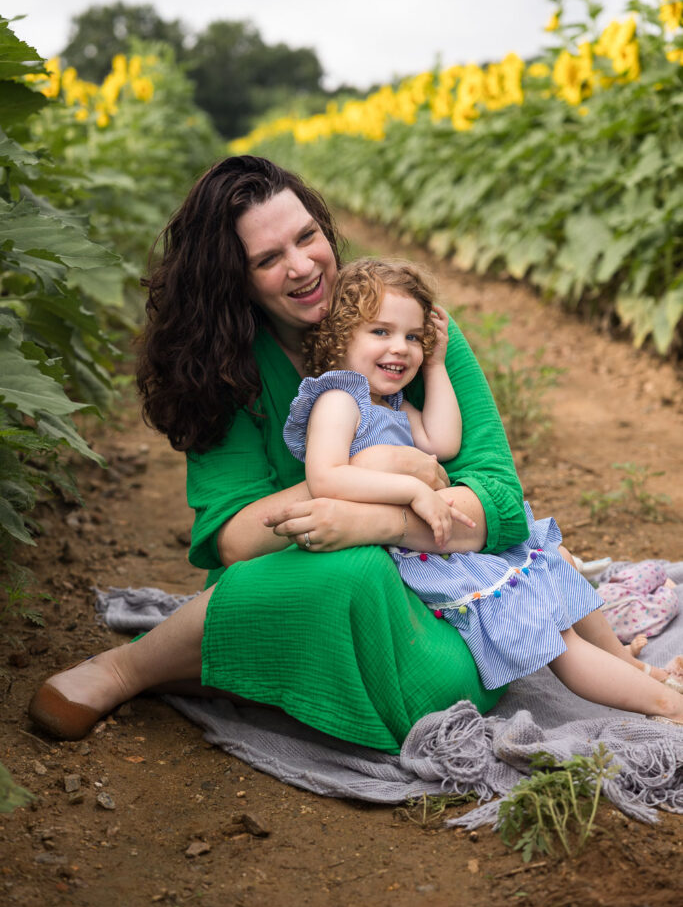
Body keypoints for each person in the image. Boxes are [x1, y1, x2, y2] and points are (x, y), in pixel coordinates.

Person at [27, 156, 683, 745]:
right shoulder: (223, 366)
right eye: (267, 258)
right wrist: (356, 477)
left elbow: (502, 501)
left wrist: (380, 520)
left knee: (446, 679)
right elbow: (233, 539)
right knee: (344, 570)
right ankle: (127, 669)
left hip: (432, 598)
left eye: (307, 236)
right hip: (298, 574)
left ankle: (241, 666)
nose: (302, 264)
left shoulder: (403, 328)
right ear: (237, 279)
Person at [283, 257, 683, 719]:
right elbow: (325, 476)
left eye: (413, 337)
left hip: (440, 541)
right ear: (339, 337)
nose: (401, 348)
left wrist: (435, 366)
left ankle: (631, 666)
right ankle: (664, 706)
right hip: (419, 556)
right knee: (553, 636)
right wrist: (412, 491)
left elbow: (443, 439)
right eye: (382, 332)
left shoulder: (389, 404)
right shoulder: (338, 399)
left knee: (554, 563)